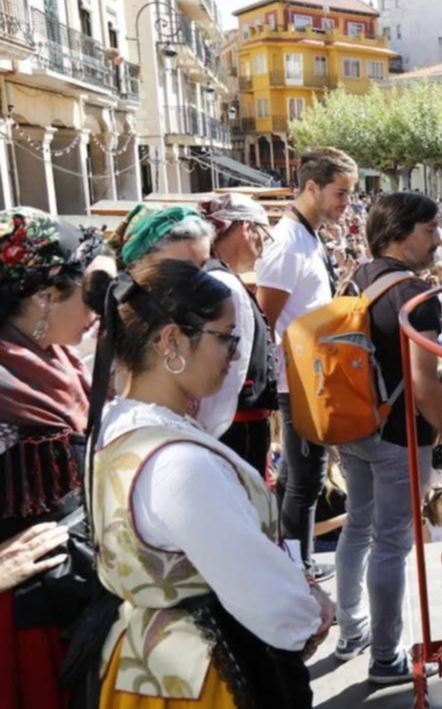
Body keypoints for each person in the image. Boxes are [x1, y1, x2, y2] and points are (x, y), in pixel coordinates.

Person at [91, 259, 331, 709]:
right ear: (171, 341)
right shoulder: (178, 463)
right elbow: (264, 594)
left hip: (143, 664)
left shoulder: (116, 422)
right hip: (204, 678)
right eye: (227, 338)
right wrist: (311, 610)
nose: (236, 355)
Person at [333, 192, 442, 684]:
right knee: (390, 544)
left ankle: (351, 630)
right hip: (397, 436)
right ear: (398, 232)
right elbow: (423, 383)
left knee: (359, 529)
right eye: (430, 230)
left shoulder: (355, 277)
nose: (438, 240)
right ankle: (385, 659)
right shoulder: (416, 294)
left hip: (354, 426)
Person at [0, 207, 102, 709]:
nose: (94, 313)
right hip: (19, 622)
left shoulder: (57, 365)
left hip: (70, 595)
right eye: (86, 295)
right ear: (43, 296)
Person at [257, 146, 357, 582]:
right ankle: (293, 568)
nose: (346, 204)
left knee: (309, 480)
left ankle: (295, 562)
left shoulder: (308, 237)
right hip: (294, 382)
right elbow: (267, 320)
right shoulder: (288, 244)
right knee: (303, 481)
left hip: (311, 378)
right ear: (311, 187)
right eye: (340, 193)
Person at [198, 194, 279, 474]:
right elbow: (229, 366)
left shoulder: (216, 277)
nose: (263, 248)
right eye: (262, 234)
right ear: (247, 229)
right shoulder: (224, 283)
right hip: (235, 426)